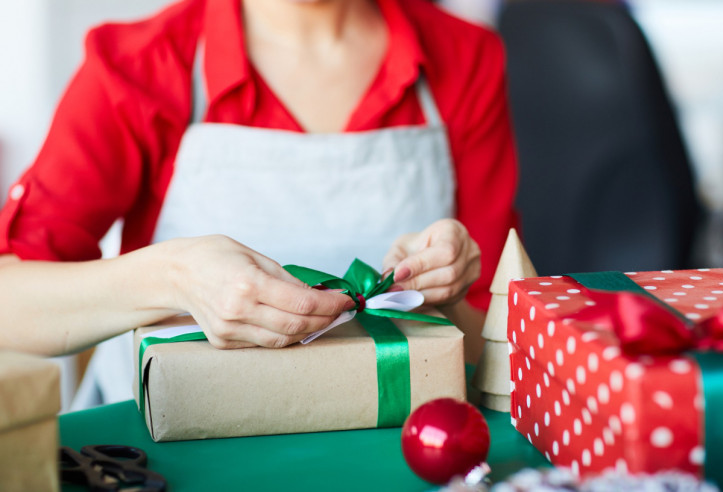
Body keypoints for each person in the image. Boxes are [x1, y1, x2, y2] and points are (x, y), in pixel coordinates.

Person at [0, 0, 518, 405]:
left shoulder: (465, 56)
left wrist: (448, 294)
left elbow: (503, 352)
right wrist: (171, 277)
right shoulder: (137, 63)